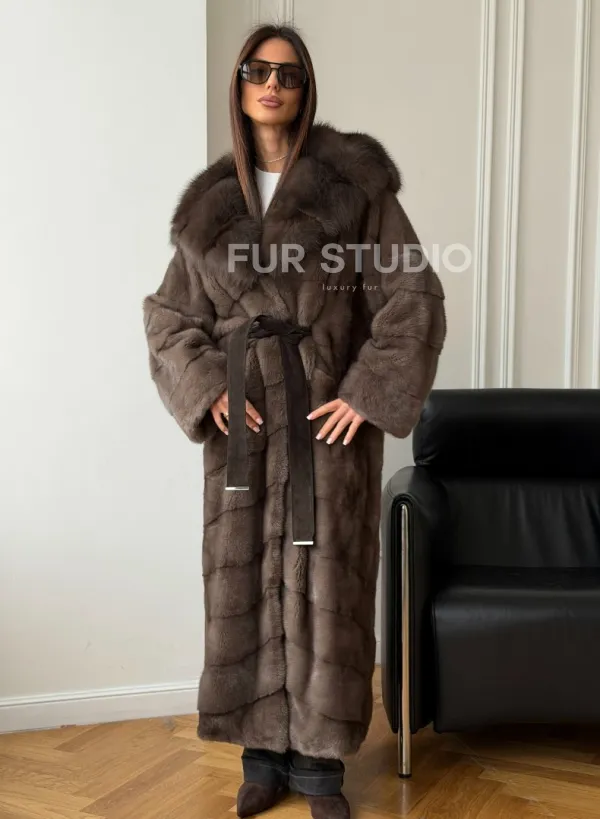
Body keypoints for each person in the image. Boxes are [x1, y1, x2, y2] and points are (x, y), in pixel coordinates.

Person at [142, 22, 447, 819]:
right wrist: (206, 386)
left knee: (324, 585)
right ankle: (261, 757)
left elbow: (413, 297)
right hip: (244, 437)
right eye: (257, 70)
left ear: (305, 88)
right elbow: (168, 316)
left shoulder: (355, 189)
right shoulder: (209, 209)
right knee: (246, 580)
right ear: (239, 86)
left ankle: (319, 767)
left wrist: (367, 392)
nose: (271, 84)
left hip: (324, 434)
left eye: (287, 73)